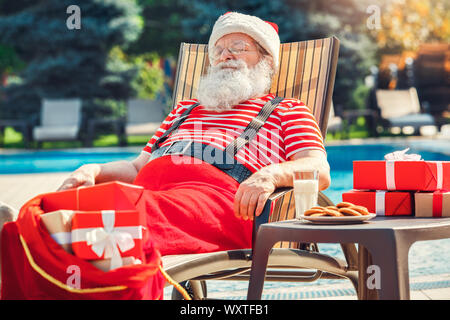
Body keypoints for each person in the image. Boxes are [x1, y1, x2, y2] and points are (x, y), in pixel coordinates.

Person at [4, 12, 331, 256]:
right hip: (151, 194)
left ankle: (32, 241)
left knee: (99, 221)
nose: (225, 55)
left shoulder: (285, 110)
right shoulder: (185, 109)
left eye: (238, 47)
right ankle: (27, 237)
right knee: (47, 207)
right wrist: (92, 170)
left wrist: (270, 175)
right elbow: (136, 168)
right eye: (217, 51)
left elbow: (319, 169)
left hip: (216, 204)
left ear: (266, 62)